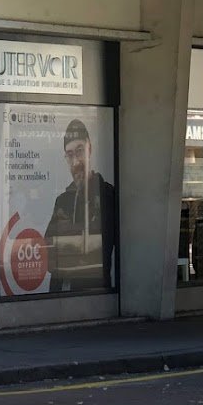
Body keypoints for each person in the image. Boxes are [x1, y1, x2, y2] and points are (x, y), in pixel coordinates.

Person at [43, 118, 117, 292]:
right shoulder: (62, 201)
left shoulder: (108, 195)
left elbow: (100, 248)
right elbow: (47, 257)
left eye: (79, 151)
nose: (75, 162)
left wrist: (67, 236)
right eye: (69, 154)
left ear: (89, 149)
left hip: (94, 295)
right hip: (59, 296)